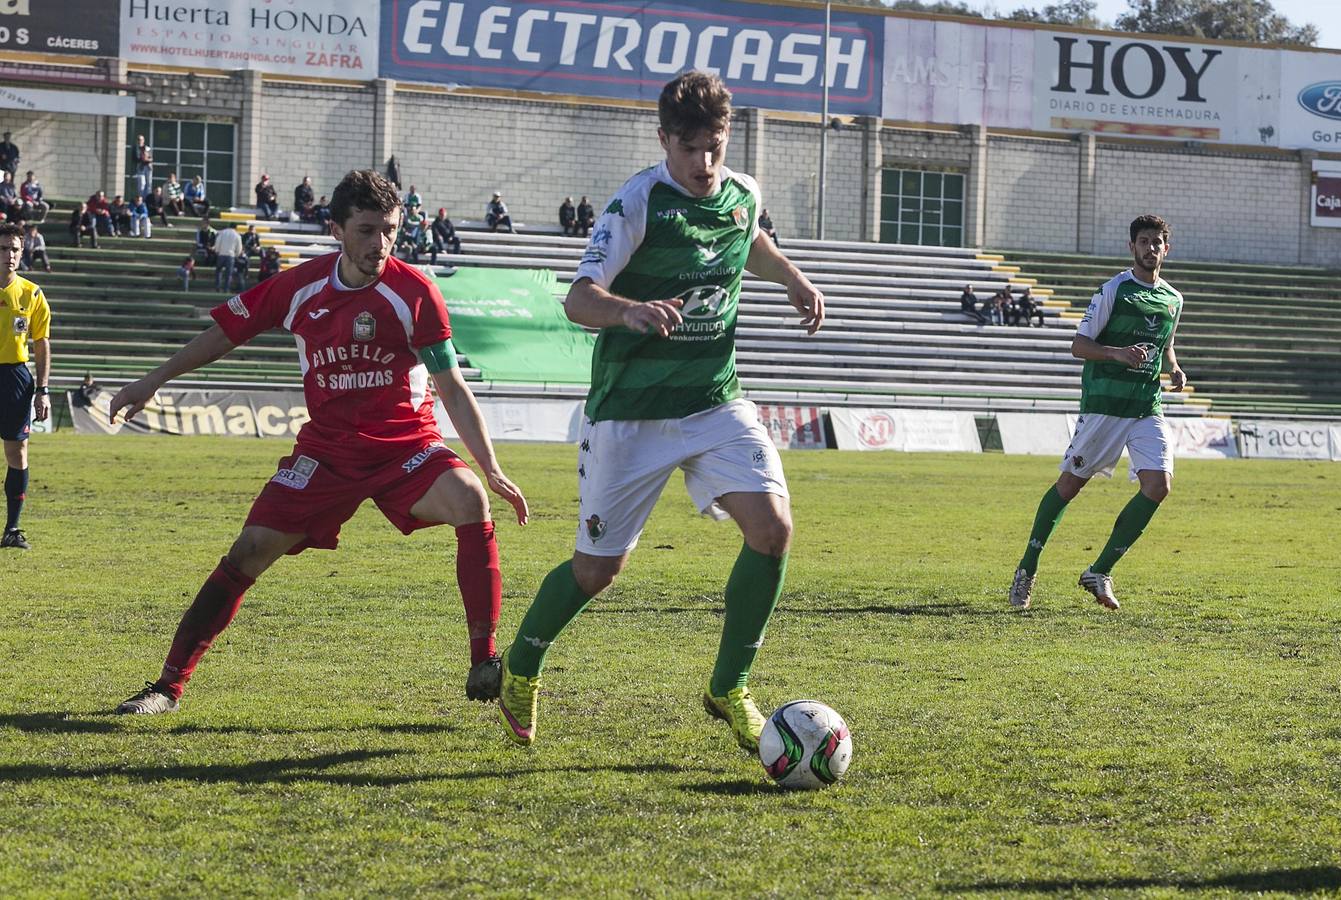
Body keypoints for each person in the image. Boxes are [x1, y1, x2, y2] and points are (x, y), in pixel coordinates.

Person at [110, 168, 529, 715]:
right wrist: (153, 380)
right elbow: (224, 334)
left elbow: (450, 383)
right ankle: (167, 687)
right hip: (326, 453)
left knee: (471, 499)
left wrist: (490, 466)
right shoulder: (299, 286)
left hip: (406, 448)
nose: (379, 242)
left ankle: (485, 659)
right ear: (336, 228)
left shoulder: (415, 291)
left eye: (389, 230)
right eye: (366, 229)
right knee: (249, 550)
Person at [494, 71, 825, 753]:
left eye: (716, 147)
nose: (705, 165)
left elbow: (749, 238)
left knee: (773, 530)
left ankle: (727, 686)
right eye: (690, 150)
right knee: (597, 572)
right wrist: (631, 311)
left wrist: (793, 277)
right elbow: (579, 300)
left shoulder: (740, 193)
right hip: (631, 413)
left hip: (714, 401)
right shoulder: (637, 203)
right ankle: (521, 665)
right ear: (663, 140)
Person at [1009, 214, 1187, 612]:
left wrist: (1173, 368)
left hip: (1146, 406)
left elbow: (1165, 345)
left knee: (1159, 486)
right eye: (1143, 241)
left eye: (1157, 242)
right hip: (1104, 406)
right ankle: (1027, 567)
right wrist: (1115, 353)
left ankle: (1100, 570)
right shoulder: (1113, 291)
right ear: (1132, 247)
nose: (1150, 248)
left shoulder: (1173, 298)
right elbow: (1079, 346)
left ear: (1166, 249)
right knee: (1069, 487)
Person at [0, 222, 50, 551]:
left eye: (15, 249)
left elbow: (42, 343)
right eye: (3, 249)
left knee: (17, 452)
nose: (10, 255)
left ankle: (13, 529)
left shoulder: (31, 293)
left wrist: (43, 389)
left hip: (15, 377)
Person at [213, 224, 245, 292]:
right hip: (230, 255)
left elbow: (217, 242)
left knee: (218, 271)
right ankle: (226, 289)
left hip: (221, 254)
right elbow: (239, 247)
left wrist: (217, 251)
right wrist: (236, 254)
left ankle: (217, 286)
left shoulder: (222, 232)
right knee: (228, 274)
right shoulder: (237, 235)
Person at [133, 134, 153, 199]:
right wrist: (142, 159)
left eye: (141, 139)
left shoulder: (147, 148)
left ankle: (148, 198)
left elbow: (151, 158)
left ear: (143, 140)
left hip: (148, 167)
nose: (140, 141)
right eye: (138, 139)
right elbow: (135, 158)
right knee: (141, 184)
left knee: (149, 184)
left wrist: (146, 159)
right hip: (140, 167)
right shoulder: (135, 148)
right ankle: (141, 198)